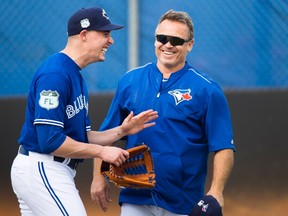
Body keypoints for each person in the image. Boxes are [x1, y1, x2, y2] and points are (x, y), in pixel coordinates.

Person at [10, 6, 158, 216]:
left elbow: (84, 137)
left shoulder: (74, 75)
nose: (111, 41)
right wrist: (103, 152)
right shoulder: (56, 75)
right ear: (84, 35)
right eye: (105, 34)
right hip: (42, 168)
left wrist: (123, 131)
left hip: (48, 170)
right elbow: (50, 141)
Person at [91, 9, 235, 216]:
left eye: (176, 40)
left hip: (183, 200)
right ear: (155, 40)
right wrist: (98, 177)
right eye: (162, 38)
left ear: (190, 45)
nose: (168, 44)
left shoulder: (207, 89)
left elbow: (223, 146)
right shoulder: (130, 81)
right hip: (135, 196)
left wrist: (216, 191)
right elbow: (108, 134)